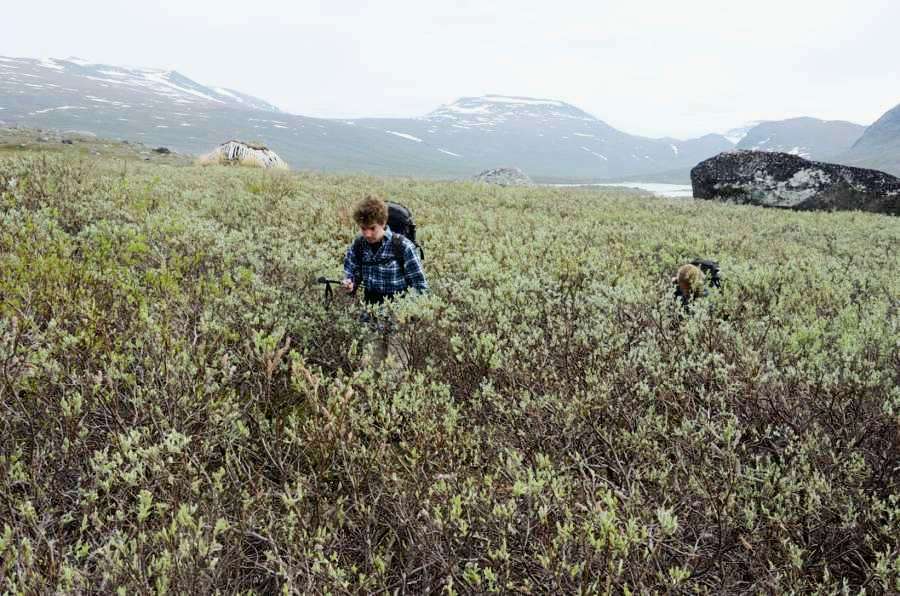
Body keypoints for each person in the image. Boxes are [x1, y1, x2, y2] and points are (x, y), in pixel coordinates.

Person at [342, 196, 428, 367]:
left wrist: (404, 311)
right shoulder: (358, 246)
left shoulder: (403, 247)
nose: (367, 234)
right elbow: (350, 271)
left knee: (395, 370)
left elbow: (421, 287)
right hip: (370, 317)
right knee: (368, 367)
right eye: (363, 228)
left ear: (383, 223)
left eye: (372, 228)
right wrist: (349, 283)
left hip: (398, 318)